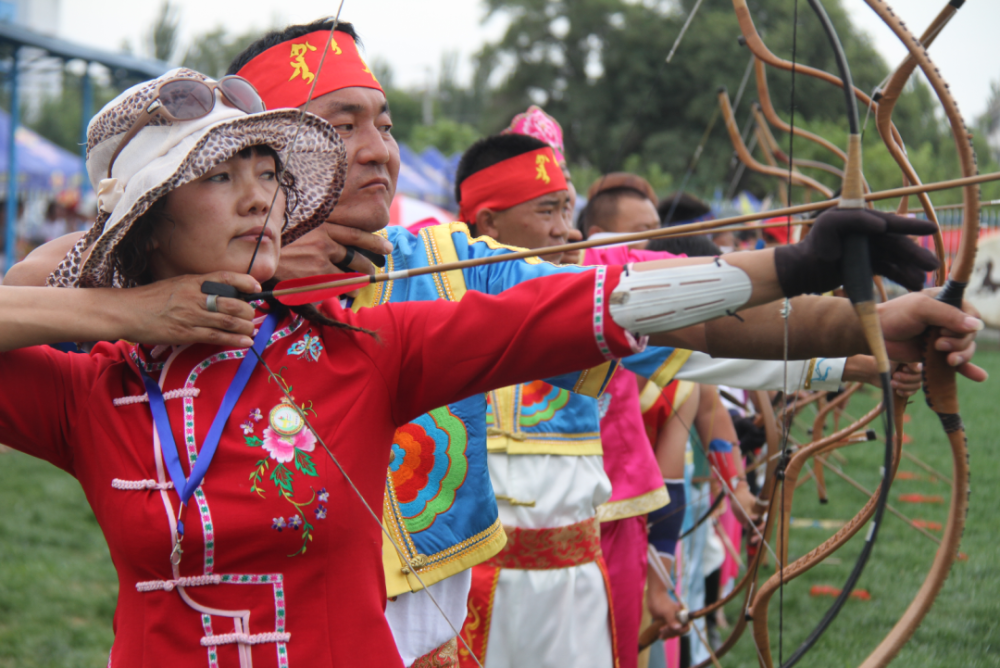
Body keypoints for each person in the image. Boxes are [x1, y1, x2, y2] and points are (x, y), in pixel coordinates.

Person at [2, 67, 875, 668]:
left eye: (266, 169)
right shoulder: (99, 392)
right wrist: (124, 313)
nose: (261, 194)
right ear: (150, 221)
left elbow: (578, 308)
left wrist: (789, 268)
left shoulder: (359, 351)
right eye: (221, 175)